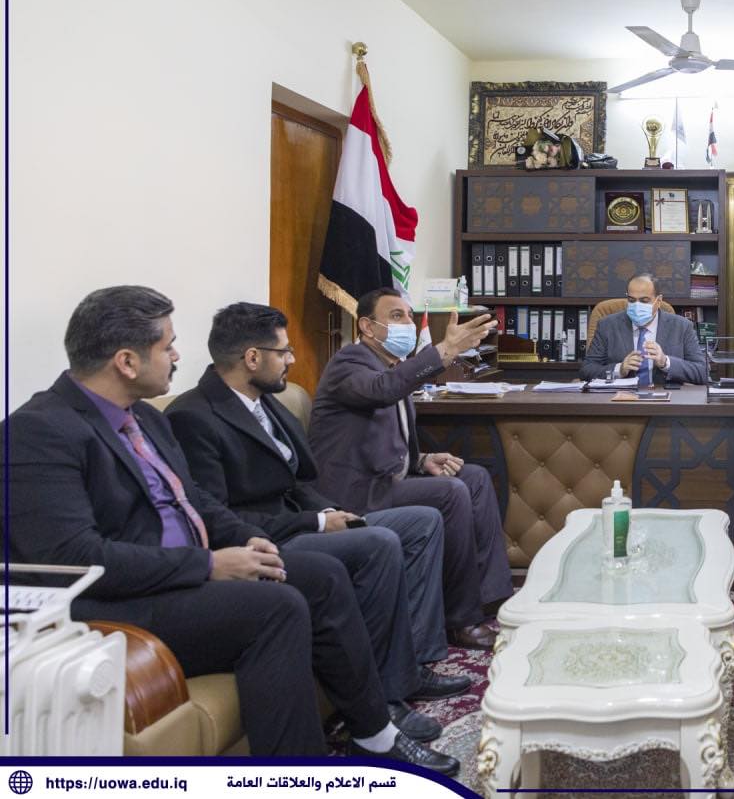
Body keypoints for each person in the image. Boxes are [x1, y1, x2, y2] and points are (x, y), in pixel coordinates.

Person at [3, 286, 458, 772]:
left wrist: (245, 538)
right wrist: (207, 565)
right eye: (168, 346)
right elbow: (75, 558)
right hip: (119, 600)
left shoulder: (146, 420)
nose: (178, 356)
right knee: (276, 607)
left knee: (320, 576)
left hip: (179, 577)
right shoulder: (38, 431)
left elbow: (195, 500)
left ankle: (375, 734)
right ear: (127, 362)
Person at [165, 302, 471, 731]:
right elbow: (218, 515)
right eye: (283, 352)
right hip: (267, 538)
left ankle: (412, 662)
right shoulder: (193, 417)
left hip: (306, 518)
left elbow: (297, 481)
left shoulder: (264, 401)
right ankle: (385, 698)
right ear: (252, 358)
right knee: (378, 542)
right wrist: (318, 522)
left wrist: (327, 510)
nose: (291, 360)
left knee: (421, 522)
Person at [308, 287, 512, 650]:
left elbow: (384, 431)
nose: (407, 323)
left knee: (475, 478)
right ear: (367, 327)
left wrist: (421, 459)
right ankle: (461, 620)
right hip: (358, 492)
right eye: (396, 316)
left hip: (389, 478)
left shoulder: (391, 366)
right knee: (451, 493)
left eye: (408, 315)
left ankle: (490, 600)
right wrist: (445, 350)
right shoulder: (349, 362)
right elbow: (381, 391)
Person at [579, 273, 708, 385]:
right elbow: (587, 370)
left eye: (644, 301)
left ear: (658, 301)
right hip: (620, 399)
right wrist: (619, 369)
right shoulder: (607, 326)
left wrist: (665, 362)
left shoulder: (682, 327)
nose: (637, 306)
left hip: (664, 400)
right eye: (631, 300)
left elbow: (703, 372)